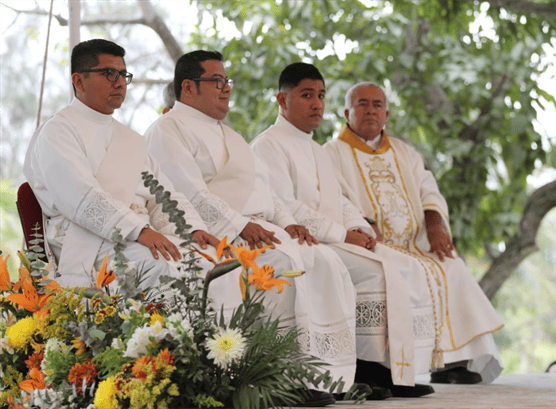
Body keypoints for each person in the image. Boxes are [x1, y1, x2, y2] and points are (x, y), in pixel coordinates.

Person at [144, 51, 366, 405]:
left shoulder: (229, 135)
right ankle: (273, 381)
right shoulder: (167, 129)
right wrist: (238, 225)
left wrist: (289, 223)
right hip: (215, 232)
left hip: (256, 227)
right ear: (188, 87)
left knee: (325, 261)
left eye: (226, 82)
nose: (225, 89)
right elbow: (187, 192)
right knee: (279, 269)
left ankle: (325, 376)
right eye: (217, 82)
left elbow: (264, 190)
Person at [252, 63, 451, 398]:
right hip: (302, 240)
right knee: (375, 273)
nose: (317, 104)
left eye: (321, 95)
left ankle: (392, 371)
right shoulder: (268, 145)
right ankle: (360, 371)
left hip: (331, 238)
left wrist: (359, 226)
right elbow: (283, 205)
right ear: (282, 101)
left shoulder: (316, 149)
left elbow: (340, 199)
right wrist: (342, 234)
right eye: (306, 95)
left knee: (405, 266)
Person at [323, 81, 505, 385]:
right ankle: (389, 365)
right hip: (372, 243)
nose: (370, 110)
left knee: (452, 266)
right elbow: (333, 198)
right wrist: (362, 222)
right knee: (405, 273)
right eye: (362, 104)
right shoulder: (330, 154)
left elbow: (428, 189)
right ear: (346, 112)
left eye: (377, 105)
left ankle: (452, 361)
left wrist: (435, 224)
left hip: (418, 244)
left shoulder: (405, 152)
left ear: (386, 114)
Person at [23, 39, 219, 290]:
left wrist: (190, 229)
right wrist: (138, 229)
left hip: (136, 233)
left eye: (123, 74)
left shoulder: (130, 139)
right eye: (109, 73)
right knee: (156, 266)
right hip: (86, 240)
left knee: (211, 259)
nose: (119, 82)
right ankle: (158, 332)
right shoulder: (57, 132)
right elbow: (81, 198)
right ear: (78, 81)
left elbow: (162, 195)